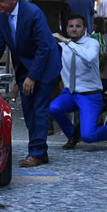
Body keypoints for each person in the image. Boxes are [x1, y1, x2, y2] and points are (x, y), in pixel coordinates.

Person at [0, 0, 62, 167]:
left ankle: (36, 153)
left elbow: (43, 47)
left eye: (1, 0)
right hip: (24, 66)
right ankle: (40, 151)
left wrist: (32, 77)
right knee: (28, 109)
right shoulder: (1, 16)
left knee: (39, 109)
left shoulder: (33, 13)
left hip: (44, 65)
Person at [50, 14, 107, 150]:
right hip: (70, 93)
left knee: (89, 137)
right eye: (71, 26)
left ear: (85, 29)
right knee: (54, 108)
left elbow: (88, 57)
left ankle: (83, 134)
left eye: (78, 26)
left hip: (90, 95)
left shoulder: (92, 43)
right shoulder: (61, 45)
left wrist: (68, 42)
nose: (74, 29)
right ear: (66, 28)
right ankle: (73, 134)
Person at [28, 0, 70, 135]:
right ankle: (41, 120)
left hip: (56, 44)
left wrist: (67, 43)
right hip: (37, 44)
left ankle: (49, 122)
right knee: (36, 80)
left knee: (53, 81)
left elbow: (66, 25)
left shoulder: (62, 1)